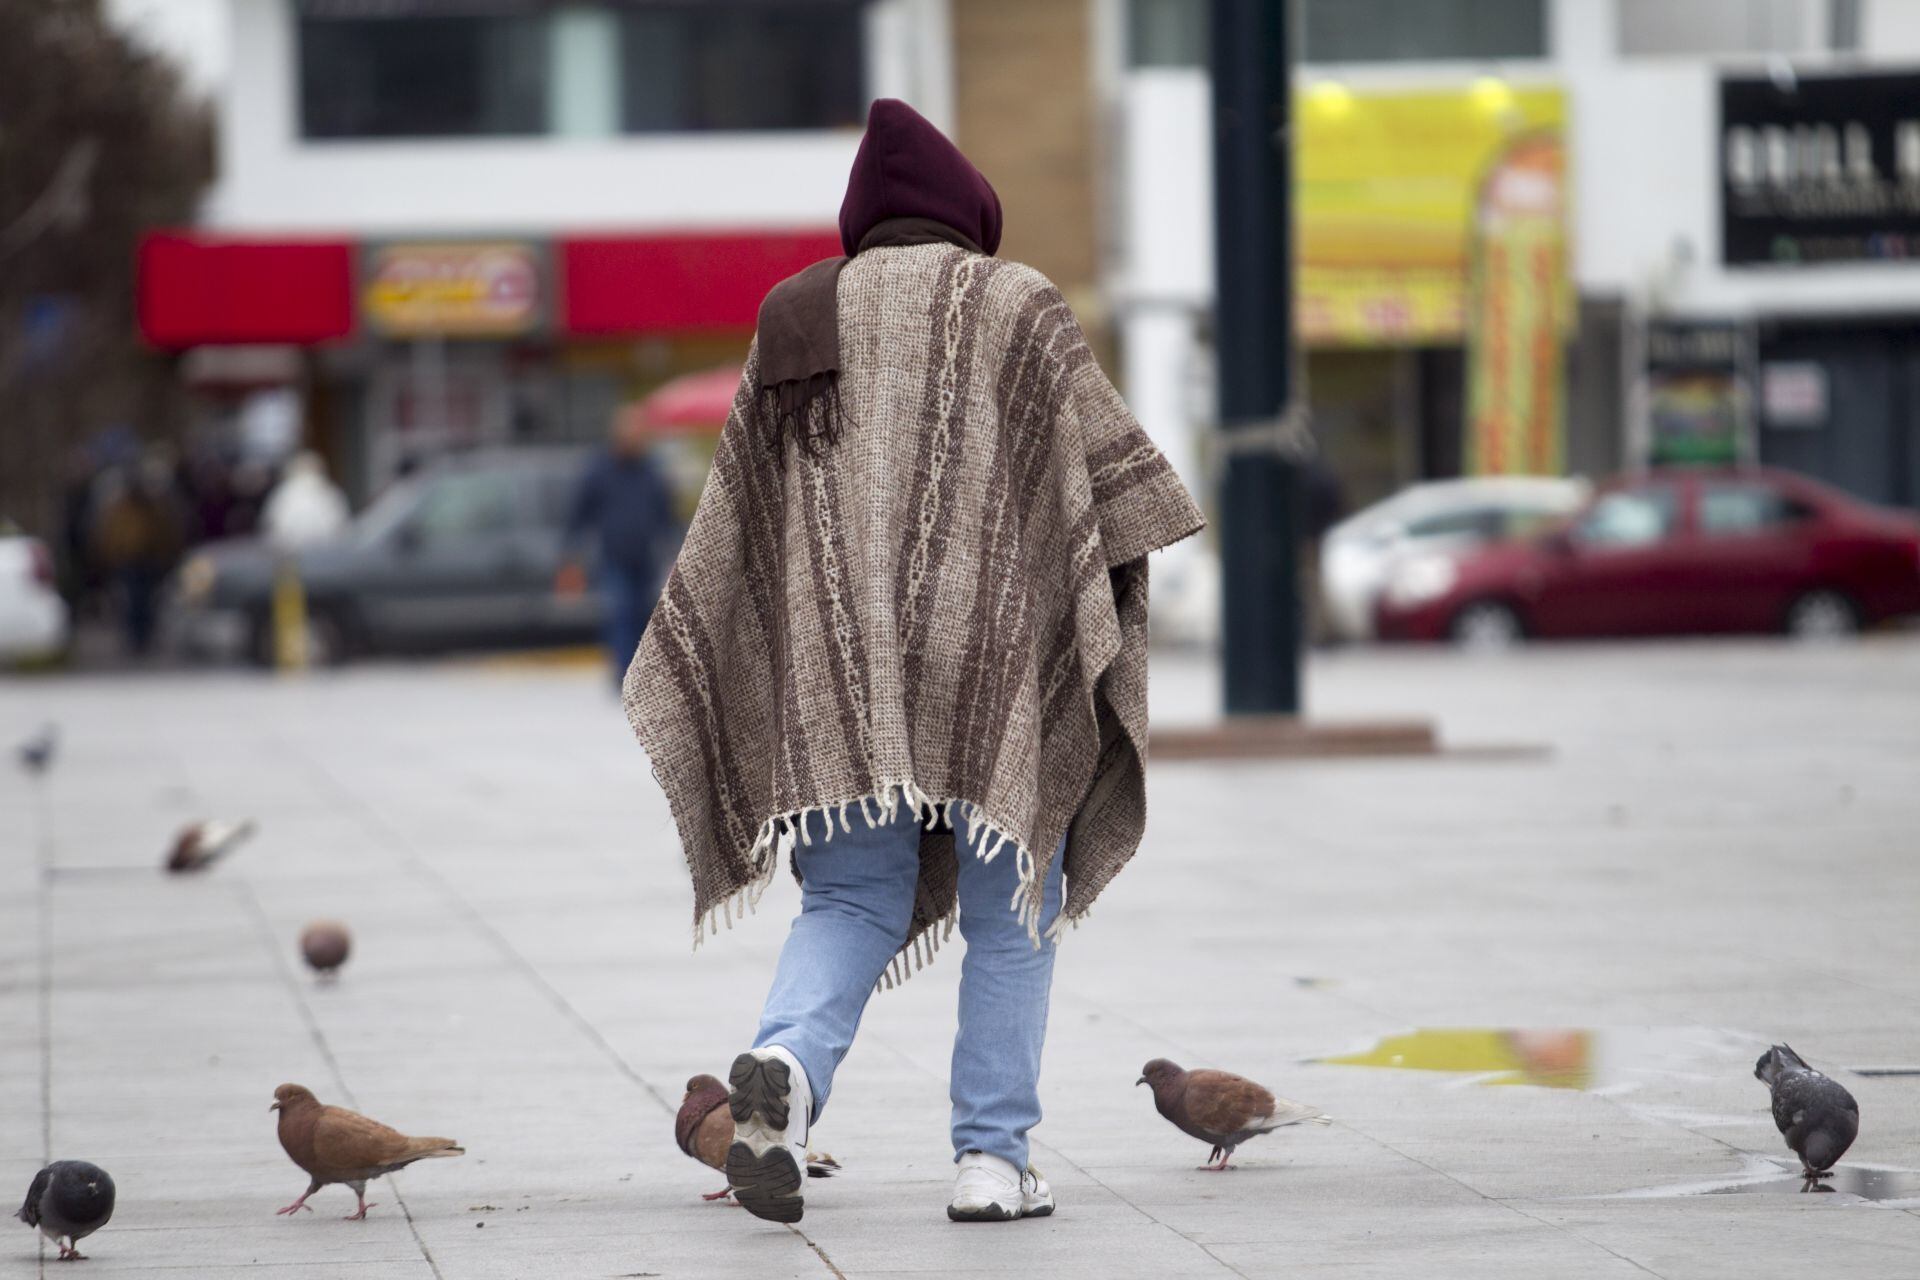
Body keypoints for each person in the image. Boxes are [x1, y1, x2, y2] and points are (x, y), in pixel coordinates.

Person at [623, 100, 1203, 1225]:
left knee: (846, 896)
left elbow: (740, 527)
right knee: (1013, 904)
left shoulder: (796, 312)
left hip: (839, 677)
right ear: (964, 210)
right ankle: (992, 1161)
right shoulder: (1018, 302)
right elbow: (1115, 488)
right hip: (1000, 660)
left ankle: (782, 1074)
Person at [565, 415, 676, 686]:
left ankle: (640, 675)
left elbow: (665, 514)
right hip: (614, 556)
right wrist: (572, 552)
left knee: (643, 616)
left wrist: (675, 546)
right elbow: (579, 513)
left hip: (645, 556)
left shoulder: (651, 470)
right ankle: (624, 676)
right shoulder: (599, 470)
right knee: (621, 613)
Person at [260, 451, 350, 551]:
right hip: (326, 555)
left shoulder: (283, 493)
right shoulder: (331, 492)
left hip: (290, 556)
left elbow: (270, 525)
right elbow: (341, 528)